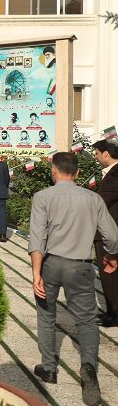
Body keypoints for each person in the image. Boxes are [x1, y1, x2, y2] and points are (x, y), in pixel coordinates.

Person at [28, 152, 118, 406]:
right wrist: (112, 257)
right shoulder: (93, 199)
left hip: (51, 263)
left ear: (53, 171)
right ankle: (88, 366)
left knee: (46, 315)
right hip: (81, 266)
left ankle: (48, 368)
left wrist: (36, 273)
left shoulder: (43, 196)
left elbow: (37, 237)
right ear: (77, 173)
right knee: (87, 320)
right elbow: (112, 236)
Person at [92, 140, 118, 327]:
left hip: (109, 232)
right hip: (109, 230)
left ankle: (115, 314)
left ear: (106, 154)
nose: (96, 157)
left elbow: (102, 201)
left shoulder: (115, 173)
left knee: (109, 273)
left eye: (97, 153)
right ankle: (112, 311)